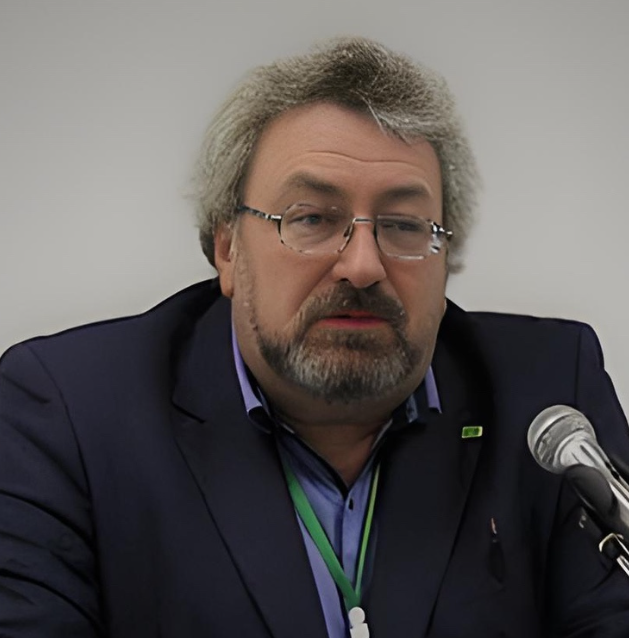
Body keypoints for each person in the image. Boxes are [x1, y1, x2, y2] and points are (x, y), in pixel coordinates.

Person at [1, 36, 628, 638]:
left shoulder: (548, 397)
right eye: (311, 219)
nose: (363, 265)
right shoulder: (69, 418)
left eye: (404, 225)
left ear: (446, 258)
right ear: (227, 248)